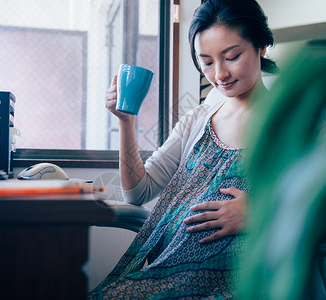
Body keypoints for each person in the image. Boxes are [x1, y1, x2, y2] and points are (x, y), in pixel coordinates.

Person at [89, 0, 278, 298]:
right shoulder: (198, 119)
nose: (219, 74)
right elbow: (138, 192)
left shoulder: (293, 122)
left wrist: (262, 213)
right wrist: (127, 123)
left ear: (261, 46)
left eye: (232, 56)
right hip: (163, 277)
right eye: (207, 61)